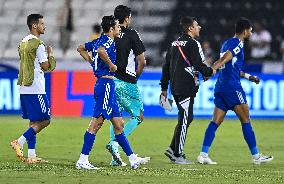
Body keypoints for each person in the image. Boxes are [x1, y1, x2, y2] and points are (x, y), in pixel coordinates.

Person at [197, 17, 273, 165]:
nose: (251, 32)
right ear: (245, 31)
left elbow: (232, 67)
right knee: (246, 120)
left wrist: (249, 76)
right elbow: (226, 59)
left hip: (221, 87)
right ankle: (256, 157)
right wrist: (214, 67)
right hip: (232, 87)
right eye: (250, 30)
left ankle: (203, 154)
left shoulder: (226, 43)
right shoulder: (238, 43)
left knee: (215, 121)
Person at [75, 15, 144, 170]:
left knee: (119, 125)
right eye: (118, 27)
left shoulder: (98, 40)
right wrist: (111, 65)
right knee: (97, 123)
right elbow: (100, 51)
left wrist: (92, 63)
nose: (120, 29)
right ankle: (82, 159)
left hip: (109, 86)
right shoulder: (106, 41)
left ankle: (132, 159)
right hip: (105, 84)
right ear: (111, 29)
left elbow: (80, 48)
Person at [160, 16, 216, 164]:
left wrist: (164, 88)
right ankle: (177, 154)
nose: (199, 27)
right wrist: (210, 71)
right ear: (190, 28)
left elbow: (166, 67)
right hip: (186, 86)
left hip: (176, 86)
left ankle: (172, 149)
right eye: (197, 25)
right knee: (185, 119)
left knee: (186, 117)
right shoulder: (193, 43)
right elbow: (198, 65)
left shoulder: (173, 44)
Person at [105, 5, 150, 167]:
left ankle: (114, 158)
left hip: (111, 80)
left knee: (116, 118)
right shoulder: (131, 34)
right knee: (138, 116)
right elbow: (142, 61)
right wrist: (136, 77)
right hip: (127, 82)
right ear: (126, 18)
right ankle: (115, 144)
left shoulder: (110, 34)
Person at [10, 14, 56, 164]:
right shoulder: (38, 44)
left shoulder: (22, 42)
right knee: (45, 120)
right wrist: (51, 55)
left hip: (24, 86)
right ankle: (19, 142)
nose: (45, 26)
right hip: (36, 87)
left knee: (33, 121)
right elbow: (45, 66)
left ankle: (31, 156)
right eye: (42, 23)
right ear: (35, 26)